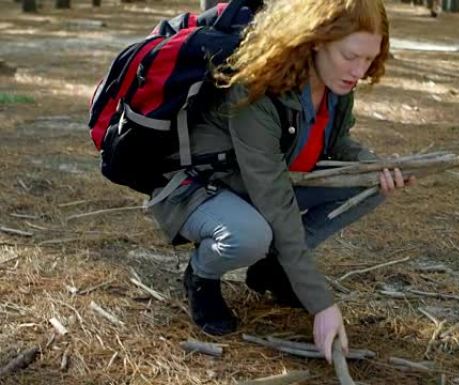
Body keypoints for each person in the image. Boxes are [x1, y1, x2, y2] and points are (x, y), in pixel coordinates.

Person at [149, 0, 414, 362]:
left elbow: (336, 146)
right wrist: (321, 303)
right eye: (351, 56)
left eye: (369, 59)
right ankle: (201, 275)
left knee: (367, 184)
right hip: (199, 188)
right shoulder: (257, 88)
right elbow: (276, 201)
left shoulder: (336, 86)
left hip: (258, 186)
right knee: (251, 235)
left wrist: (374, 167)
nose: (359, 71)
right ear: (317, 39)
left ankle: (272, 271)